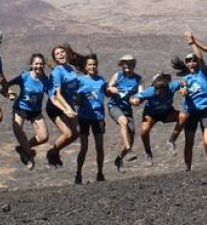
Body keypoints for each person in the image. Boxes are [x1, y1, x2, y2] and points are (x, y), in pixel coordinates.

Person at [173, 44, 207, 171]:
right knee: (189, 142)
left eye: (193, 61)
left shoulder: (203, 73)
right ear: (186, 64)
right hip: (191, 113)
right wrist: (183, 91)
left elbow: (200, 56)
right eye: (188, 62)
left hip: (205, 112)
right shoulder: (185, 79)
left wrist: (192, 43)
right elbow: (182, 88)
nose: (192, 63)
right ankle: (187, 169)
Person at [8, 53, 53, 170]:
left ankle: (23, 148)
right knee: (18, 129)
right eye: (36, 63)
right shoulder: (25, 76)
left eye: (41, 64)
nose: (38, 66)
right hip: (21, 108)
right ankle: (29, 156)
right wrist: (9, 92)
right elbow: (7, 85)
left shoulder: (45, 81)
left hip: (35, 111)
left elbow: (53, 96)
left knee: (43, 137)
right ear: (32, 64)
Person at [45, 44, 87, 168]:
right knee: (68, 133)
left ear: (67, 54)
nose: (61, 55)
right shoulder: (57, 72)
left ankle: (55, 152)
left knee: (76, 133)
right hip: (56, 107)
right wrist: (67, 108)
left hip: (69, 105)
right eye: (57, 54)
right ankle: (52, 153)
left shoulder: (69, 69)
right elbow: (57, 94)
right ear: (55, 59)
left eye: (62, 52)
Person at [128, 73, 182, 167]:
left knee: (184, 116)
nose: (160, 94)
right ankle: (148, 153)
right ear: (154, 87)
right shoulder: (149, 92)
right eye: (158, 91)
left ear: (167, 88)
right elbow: (133, 98)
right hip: (151, 115)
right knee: (144, 131)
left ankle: (171, 141)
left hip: (167, 112)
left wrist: (184, 88)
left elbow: (183, 82)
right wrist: (134, 101)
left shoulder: (172, 87)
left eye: (163, 91)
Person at [72, 54, 109, 184]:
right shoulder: (80, 80)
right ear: (85, 67)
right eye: (90, 65)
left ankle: (100, 173)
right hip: (84, 117)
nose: (92, 66)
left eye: (94, 64)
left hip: (98, 117)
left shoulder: (101, 81)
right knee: (84, 147)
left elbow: (108, 92)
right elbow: (72, 94)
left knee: (100, 147)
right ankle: (78, 174)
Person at [105, 55, 142, 171]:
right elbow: (109, 87)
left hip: (127, 109)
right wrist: (111, 89)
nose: (127, 65)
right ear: (121, 65)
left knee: (130, 137)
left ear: (134, 65)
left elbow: (141, 95)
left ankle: (119, 158)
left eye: (130, 63)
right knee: (123, 122)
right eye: (124, 63)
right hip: (114, 106)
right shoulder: (118, 76)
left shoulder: (138, 79)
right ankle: (129, 150)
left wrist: (137, 100)